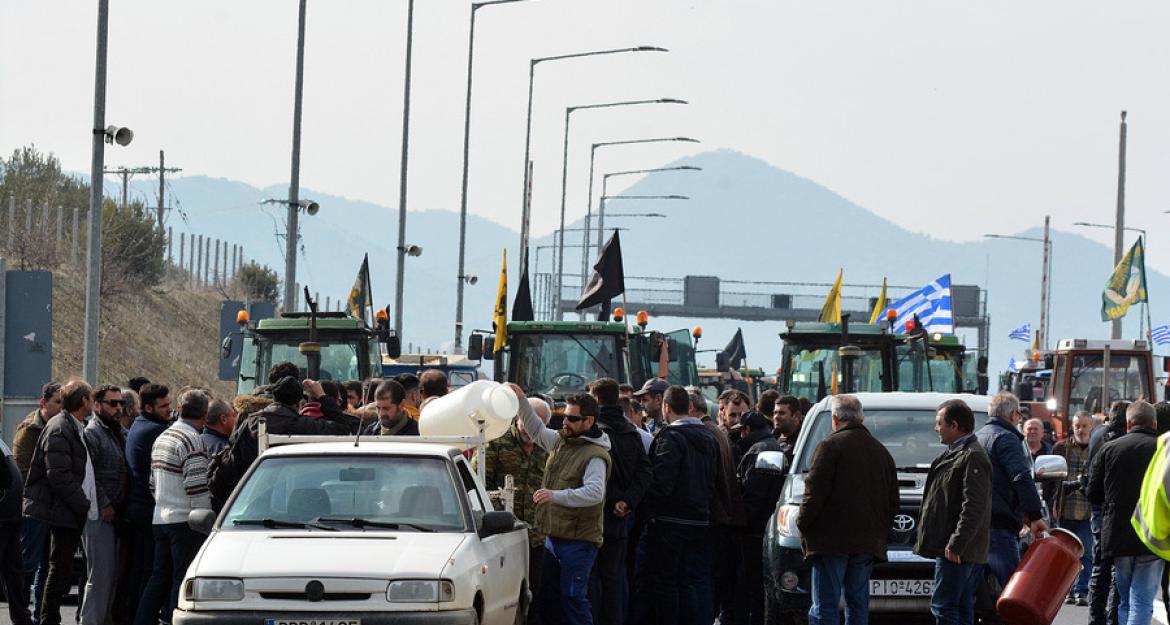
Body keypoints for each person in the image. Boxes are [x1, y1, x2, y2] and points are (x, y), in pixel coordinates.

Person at [511, 386, 611, 625]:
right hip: (554, 538)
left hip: (579, 542)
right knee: (551, 600)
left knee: (573, 599)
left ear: (589, 421)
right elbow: (536, 430)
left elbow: (595, 493)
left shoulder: (595, 455)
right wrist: (522, 400)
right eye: (564, 416)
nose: (565, 422)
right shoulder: (561, 441)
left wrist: (555, 495)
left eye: (572, 418)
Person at [797, 394, 898, 625]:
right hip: (866, 542)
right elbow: (893, 500)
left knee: (825, 605)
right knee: (857, 603)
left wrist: (802, 522)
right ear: (861, 419)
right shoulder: (881, 452)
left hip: (830, 542)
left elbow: (814, 493)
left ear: (834, 419)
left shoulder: (829, 446)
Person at [209, 376, 359, 510]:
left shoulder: (250, 421)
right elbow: (342, 427)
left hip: (246, 500)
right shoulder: (299, 425)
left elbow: (231, 451)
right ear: (299, 402)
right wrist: (321, 396)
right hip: (287, 504)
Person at [635, 385, 717, 625]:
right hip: (699, 519)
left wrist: (648, 507)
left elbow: (662, 483)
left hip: (669, 521)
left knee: (666, 582)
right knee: (689, 580)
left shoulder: (671, 437)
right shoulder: (708, 437)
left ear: (666, 407)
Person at [22, 380, 98, 625]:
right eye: (90, 397)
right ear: (82, 401)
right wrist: (83, 503)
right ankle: (47, 619)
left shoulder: (75, 425)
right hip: (61, 510)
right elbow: (58, 475)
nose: (93, 402)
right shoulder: (60, 427)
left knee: (60, 570)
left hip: (68, 509)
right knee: (56, 570)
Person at [135, 389, 213, 625]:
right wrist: (206, 522)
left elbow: (152, 482)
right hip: (185, 521)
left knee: (158, 577)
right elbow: (197, 486)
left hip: (160, 517)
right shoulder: (192, 439)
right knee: (181, 578)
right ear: (205, 414)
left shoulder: (164, 437)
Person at [474, 397, 551, 625]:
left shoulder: (548, 445)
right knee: (507, 596)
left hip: (537, 536)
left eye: (540, 425)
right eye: (527, 423)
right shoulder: (496, 442)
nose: (531, 430)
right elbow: (479, 485)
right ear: (518, 418)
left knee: (536, 594)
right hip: (504, 535)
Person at [914, 399, 992, 625]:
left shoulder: (972, 456)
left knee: (944, 606)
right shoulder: (954, 453)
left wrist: (957, 542)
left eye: (939, 423)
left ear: (955, 425)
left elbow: (974, 506)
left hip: (957, 549)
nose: (936, 428)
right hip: (953, 547)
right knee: (960, 604)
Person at [1087, 400, 1161, 625]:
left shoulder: (1109, 449)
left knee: (1125, 601)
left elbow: (1093, 493)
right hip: (1152, 532)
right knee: (1142, 601)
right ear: (1155, 424)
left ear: (1129, 423)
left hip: (1118, 533)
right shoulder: (1163, 449)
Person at [588, 378, 652, 625]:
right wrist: (628, 501)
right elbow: (645, 472)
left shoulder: (594, 432)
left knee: (592, 580)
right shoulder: (631, 433)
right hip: (620, 517)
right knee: (614, 579)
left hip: (594, 516)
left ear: (596, 400)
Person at [975, 391, 1048, 590]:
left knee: (976, 591)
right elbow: (1021, 477)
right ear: (1014, 415)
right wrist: (1034, 515)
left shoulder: (978, 438)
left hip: (976, 524)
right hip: (999, 525)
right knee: (1015, 591)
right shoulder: (1006, 438)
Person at [696, 389, 747, 625]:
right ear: (723, 412)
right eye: (733, 415)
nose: (737, 421)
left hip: (733, 523)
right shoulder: (719, 436)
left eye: (742, 415)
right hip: (724, 521)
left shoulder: (746, 441)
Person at [81, 385, 129, 625]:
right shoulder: (92, 434)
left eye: (120, 403)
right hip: (99, 516)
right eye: (112, 403)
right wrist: (104, 504)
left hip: (117, 516)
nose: (118, 408)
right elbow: (90, 476)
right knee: (99, 578)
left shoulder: (116, 431)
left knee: (110, 579)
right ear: (97, 405)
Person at [124, 383, 172, 621]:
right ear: (149, 408)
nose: (170, 410)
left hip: (139, 508)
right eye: (164, 407)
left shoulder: (141, 425)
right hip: (146, 509)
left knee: (141, 572)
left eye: (170, 405)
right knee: (147, 573)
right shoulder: (155, 431)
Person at [14, 382, 61, 624]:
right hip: (34, 508)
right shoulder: (29, 430)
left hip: (52, 507)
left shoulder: (58, 428)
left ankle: (38, 616)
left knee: (46, 566)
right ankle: (21, 615)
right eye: (57, 403)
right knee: (28, 565)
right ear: (45, 403)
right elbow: (23, 473)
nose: (61, 408)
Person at [737, 410, 784, 625]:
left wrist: (742, 524)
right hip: (762, 527)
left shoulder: (761, 451)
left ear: (747, 430)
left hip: (756, 531)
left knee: (756, 588)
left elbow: (754, 497)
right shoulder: (770, 446)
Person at [1088, 400, 1130, 625]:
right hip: (1113, 509)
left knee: (1100, 566)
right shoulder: (1119, 441)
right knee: (1115, 569)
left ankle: (1095, 619)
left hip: (1098, 509)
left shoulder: (1097, 434)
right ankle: (1111, 617)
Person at [1054, 411, 1095, 606]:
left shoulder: (1098, 449)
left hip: (1088, 511)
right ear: (1073, 426)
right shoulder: (1061, 448)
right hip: (1065, 510)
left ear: (1092, 427)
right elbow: (1051, 481)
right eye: (1078, 425)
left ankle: (1081, 591)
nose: (1081, 430)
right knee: (1065, 555)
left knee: (1086, 553)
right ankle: (1067, 591)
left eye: (1085, 426)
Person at [0, 434, 32, 625]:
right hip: (8, 514)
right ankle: (22, 618)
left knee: (13, 570)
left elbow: (6, 477)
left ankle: (22, 618)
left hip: (8, 516)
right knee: (13, 571)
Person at [773, 394, 803, 461]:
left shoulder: (804, 442)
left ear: (796, 416)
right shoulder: (770, 438)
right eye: (775, 413)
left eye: (781, 413)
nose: (776, 417)